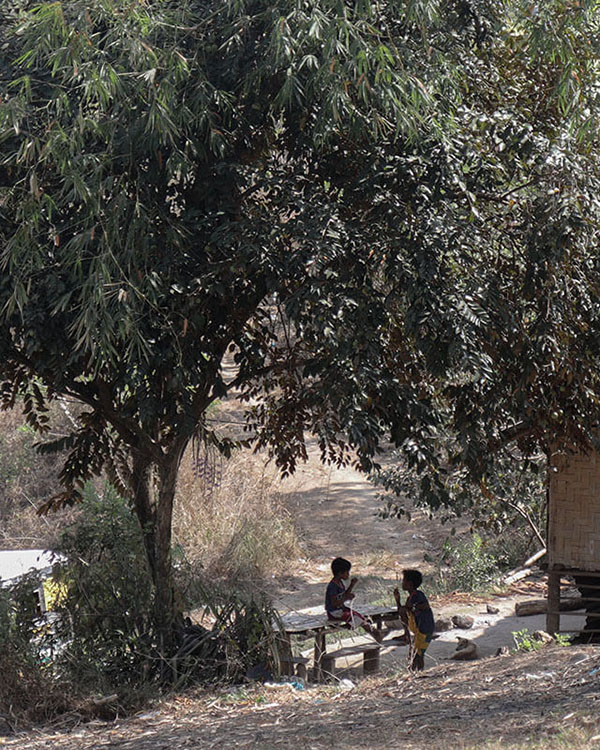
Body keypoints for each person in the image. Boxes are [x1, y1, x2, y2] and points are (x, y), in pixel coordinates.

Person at [325, 557, 383, 642]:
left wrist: (352, 585)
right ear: (340, 573)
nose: (348, 574)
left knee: (359, 616)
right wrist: (346, 598)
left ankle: (374, 632)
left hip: (341, 609)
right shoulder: (333, 586)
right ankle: (374, 633)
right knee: (355, 618)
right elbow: (334, 603)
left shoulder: (340, 583)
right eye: (347, 572)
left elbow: (344, 594)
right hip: (334, 612)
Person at [393, 568, 435, 670]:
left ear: (410, 584)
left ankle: (419, 672)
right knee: (415, 654)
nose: (402, 583)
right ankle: (415, 672)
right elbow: (402, 611)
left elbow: (425, 605)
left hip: (424, 629)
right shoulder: (411, 598)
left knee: (418, 655)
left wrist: (414, 607)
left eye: (404, 580)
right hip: (419, 631)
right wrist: (397, 600)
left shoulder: (418, 595)